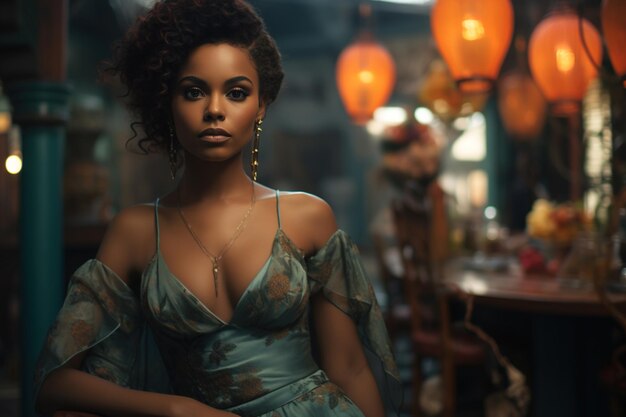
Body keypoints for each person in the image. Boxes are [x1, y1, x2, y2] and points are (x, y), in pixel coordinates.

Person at [33, 1, 400, 416]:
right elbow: (57, 383)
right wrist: (175, 409)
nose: (214, 109)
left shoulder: (307, 217)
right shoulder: (134, 231)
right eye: (193, 91)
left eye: (237, 92)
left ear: (261, 104)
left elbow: (350, 370)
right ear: (166, 103)